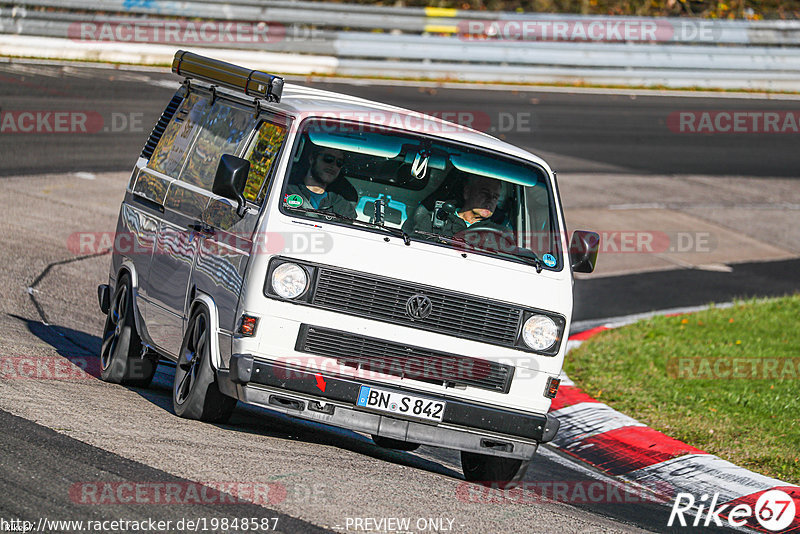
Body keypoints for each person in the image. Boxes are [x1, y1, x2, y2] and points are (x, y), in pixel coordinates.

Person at [403, 174, 511, 242]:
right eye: (485, 193)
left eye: (495, 197)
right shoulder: (435, 220)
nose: (490, 200)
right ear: (467, 192)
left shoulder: (500, 234)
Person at [284, 145, 356, 219]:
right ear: (312, 159)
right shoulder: (283, 190)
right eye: (328, 159)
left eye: (339, 163)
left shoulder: (343, 208)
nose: (333, 165)